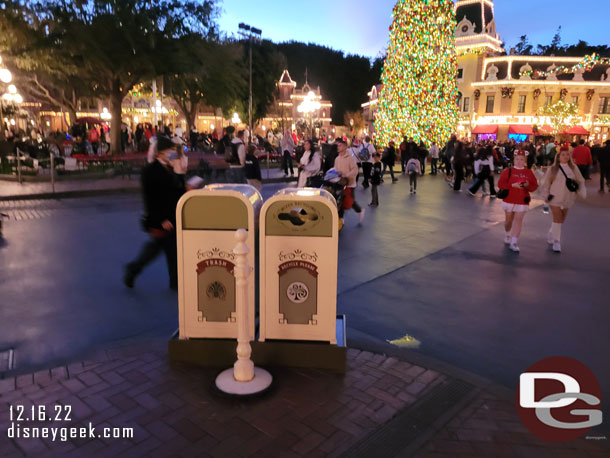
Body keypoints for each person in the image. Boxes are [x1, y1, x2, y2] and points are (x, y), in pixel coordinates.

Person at [124, 135, 186, 290]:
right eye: (170, 151)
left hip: (171, 216)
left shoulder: (170, 168)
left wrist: (180, 173)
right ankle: (134, 269)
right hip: (161, 218)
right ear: (161, 153)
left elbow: (178, 192)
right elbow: (150, 199)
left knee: (163, 248)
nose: (173, 154)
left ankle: (173, 281)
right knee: (161, 248)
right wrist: (161, 219)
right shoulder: (150, 171)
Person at [539, 145, 586, 252]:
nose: (565, 156)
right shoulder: (553, 169)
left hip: (568, 197)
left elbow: (580, 180)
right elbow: (546, 183)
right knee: (558, 219)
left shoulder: (574, 168)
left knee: (561, 220)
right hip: (554, 197)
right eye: (563, 155)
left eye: (567, 155)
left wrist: (581, 190)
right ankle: (557, 242)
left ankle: (552, 232)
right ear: (558, 156)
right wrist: (545, 194)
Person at [497, 150, 539, 253]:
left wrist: (527, 185)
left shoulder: (528, 172)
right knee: (508, 220)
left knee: (518, 220)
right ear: (514, 159)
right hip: (509, 199)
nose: (519, 161)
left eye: (521, 159)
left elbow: (534, 186)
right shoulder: (508, 171)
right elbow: (500, 184)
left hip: (522, 200)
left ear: (525, 161)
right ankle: (507, 234)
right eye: (517, 159)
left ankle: (514, 242)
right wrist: (512, 185)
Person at [334, 138, 364, 225]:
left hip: (349, 184)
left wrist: (347, 175)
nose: (338, 147)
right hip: (340, 183)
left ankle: (360, 210)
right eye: (338, 146)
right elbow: (335, 169)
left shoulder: (350, 158)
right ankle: (341, 219)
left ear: (345, 147)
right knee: (340, 201)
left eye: (340, 145)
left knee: (350, 202)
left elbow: (355, 170)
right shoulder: (337, 159)